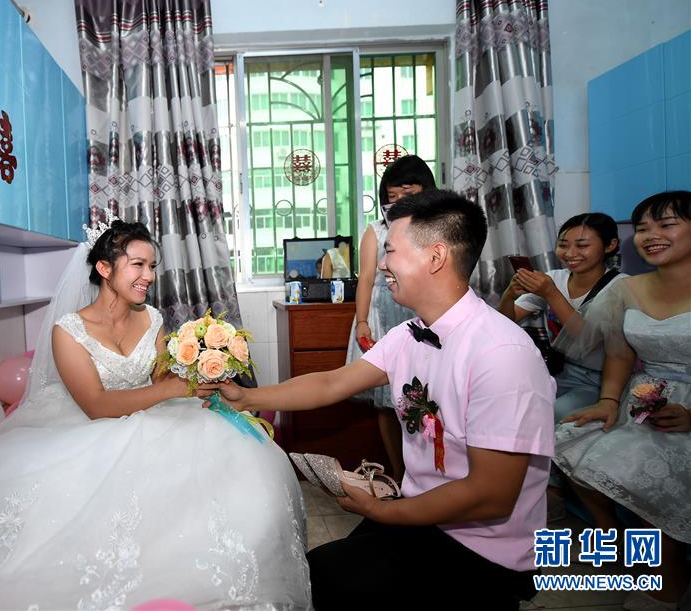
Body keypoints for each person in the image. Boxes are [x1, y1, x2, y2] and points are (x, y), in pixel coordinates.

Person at [0, 218, 312, 610]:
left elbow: (159, 379)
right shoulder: (68, 331)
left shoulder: (152, 319)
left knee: (232, 464)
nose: (149, 276)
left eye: (152, 266)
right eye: (138, 265)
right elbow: (96, 405)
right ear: (104, 268)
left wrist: (191, 371)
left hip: (154, 413)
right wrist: (172, 388)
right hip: (90, 423)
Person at [217, 190, 555, 610]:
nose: (380, 265)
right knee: (312, 572)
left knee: (328, 579)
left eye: (390, 250)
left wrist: (385, 512)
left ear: (435, 257)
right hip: (424, 512)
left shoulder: (502, 354)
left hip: (483, 546)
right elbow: (331, 383)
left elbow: (491, 495)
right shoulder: (409, 334)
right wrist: (246, 397)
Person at [554, 191, 690, 610]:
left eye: (666, 225)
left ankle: (667, 579)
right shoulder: (628, 289)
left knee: (641, 473)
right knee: (568, 440)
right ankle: (613, 536)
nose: (650, 235)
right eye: (643, 228)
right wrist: (609, 400)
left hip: (685, 411)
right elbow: (618, 353)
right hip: (641, 400)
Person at [344, 155, 436, 481]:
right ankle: (399, 474)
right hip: (383, 316)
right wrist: (363, 322)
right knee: (386, 401)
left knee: (426, 397)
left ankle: (428, 475)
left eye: (406, 194)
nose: (397, 202)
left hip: (422, 315)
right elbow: (366, 279)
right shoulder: (376, 230)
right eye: (391, 196)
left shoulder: (438, 227)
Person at [498, 212, 627, 421]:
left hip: (597, 379)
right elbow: (505, 323)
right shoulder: (554, 278)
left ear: (610, 245)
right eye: (563, 245)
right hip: (555, 371)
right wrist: (509, 295)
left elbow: (587, 340)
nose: (570, 253)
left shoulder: (621, 287)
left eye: (582, 245)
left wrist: (551, 294)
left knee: (545, 416)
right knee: (507, 405)